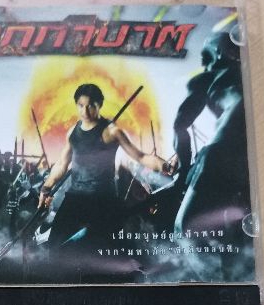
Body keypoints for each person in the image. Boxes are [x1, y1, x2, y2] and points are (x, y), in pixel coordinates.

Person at [38, 83, 173, 249]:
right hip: (75, 198)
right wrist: (45, 188)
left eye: (90, 106)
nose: (85, 111)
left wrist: (163, 165)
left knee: (99, 248)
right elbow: (61, 164)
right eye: (81, 106)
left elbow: (140, 157)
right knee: (54, 247)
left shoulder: (111, 132)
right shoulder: (73, 132)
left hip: (102, 200)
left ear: (99, 105)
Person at [170, 29, 254, 281]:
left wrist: (183, 171)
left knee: (184, 230)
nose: (204, 64)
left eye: (205, 57)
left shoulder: (208, 78)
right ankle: (233, 280)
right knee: (235, 232)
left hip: (222, 150)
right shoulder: (250, 75)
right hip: (246, 157)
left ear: (217, 54)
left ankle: (215, 285)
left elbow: (180, 126)